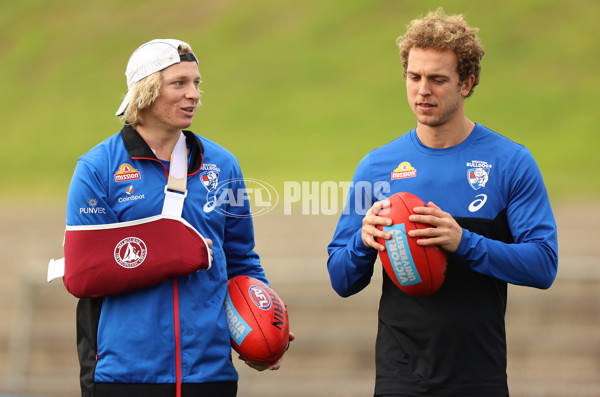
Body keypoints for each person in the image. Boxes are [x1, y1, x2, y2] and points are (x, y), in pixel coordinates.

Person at [327, 9, 558, 397]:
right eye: (414, 77)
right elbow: (341, 279)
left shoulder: (510, 163)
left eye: (437, 79)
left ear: (466, 83)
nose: (422, 91)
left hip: (478, 377)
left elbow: (543, 265)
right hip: (399, 377)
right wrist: (362, 243)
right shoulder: (376, 167)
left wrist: (464, 242)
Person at [65, 39, 292, 397]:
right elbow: (85, 274)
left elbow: (241, 258)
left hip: (210, 374)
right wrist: (171, 253)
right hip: (127, 376)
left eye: (197, 84)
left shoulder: (222, 164)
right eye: (179, 83)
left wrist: (266, 323)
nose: (193, 95)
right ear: (147, 90)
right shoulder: (98, 168)